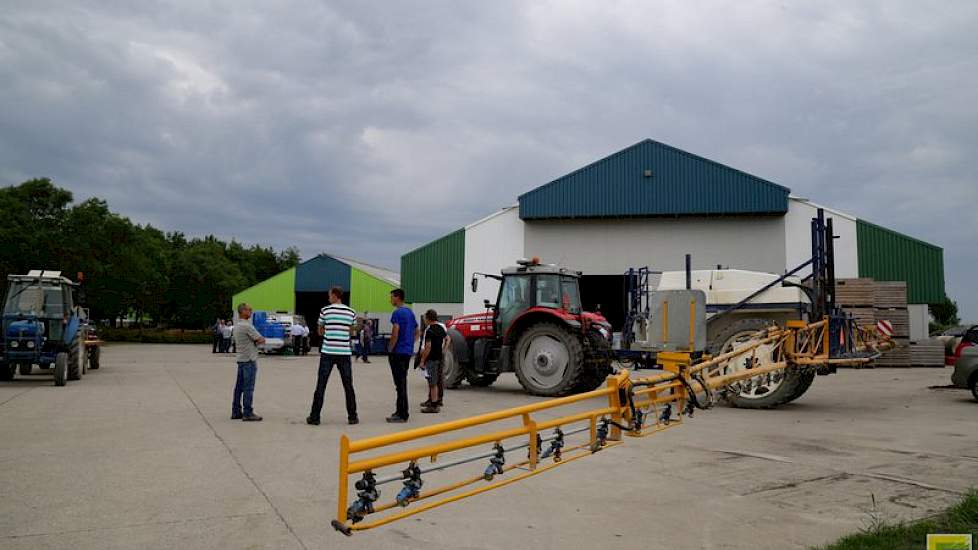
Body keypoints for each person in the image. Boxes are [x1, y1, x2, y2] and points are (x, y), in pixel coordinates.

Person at [307, 286, 359, 426]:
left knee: (321, 385)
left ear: (335, 295)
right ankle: (352, 416)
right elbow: (352, 332)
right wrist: (342, 333)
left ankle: (315, 416)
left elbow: (320, 331)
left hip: (328, 351)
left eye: (329, 295)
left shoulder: (325, 310)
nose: (328, 298)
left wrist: (330, 332)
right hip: (344, 352)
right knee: (348, 385)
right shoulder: (351, 312)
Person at [387, 288, 418, 423]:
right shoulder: (410, 313)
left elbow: (395, 332)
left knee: (399, 384)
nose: (390, 300)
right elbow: (417, 331)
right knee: (402, 382)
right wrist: (410, 343)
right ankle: (400, 410)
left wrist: (390, 348)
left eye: (392, 297)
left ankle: (402, 413)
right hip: (406, 352)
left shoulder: (397, 313)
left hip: (398, 353)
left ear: (397, 297)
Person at [231, 303, 265, 422]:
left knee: (239, 387)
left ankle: (236, 410)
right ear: (243, 311)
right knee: (248, 388)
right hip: (249, 360)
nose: (251, 311)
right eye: (249, 309)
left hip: (241, 359)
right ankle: (248, 412)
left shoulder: (237, 326)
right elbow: (260, 339)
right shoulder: (247, 326)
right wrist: (257, 341)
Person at [418, 309, 447, 413]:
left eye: (425, 318)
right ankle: (436, 400)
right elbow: (448, 339)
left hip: (431, 359)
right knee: (437, 381)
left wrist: (422, 360)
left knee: (432, 383)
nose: (424, 320)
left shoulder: (430, 330)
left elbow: (428, 347)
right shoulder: (440, 328)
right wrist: (443, 350)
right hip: (439, 358)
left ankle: (434, 405)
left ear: (428, 318)